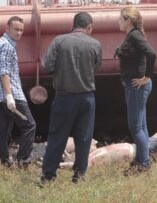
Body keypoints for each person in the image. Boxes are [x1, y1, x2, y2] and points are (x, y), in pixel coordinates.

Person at [41, 12, 102, 183]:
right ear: (89, 27)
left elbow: (47, 66)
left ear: (73, 25)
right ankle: (79, 175)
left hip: (64, 97)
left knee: (57, 136)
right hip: (87, 98)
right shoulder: (95, 44)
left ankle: (48, 176)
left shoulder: (59, 41)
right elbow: (96, 67)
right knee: (84, 138)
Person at [115, 6, 156, 173]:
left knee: (135, 127)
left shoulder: (135, 36)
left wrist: (147, 77)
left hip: (137, 86)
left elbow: (151, 54)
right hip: (134, 86)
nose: (118, 21)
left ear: (128, 20)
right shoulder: (132, 35)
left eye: (120, 18)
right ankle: (141, 159)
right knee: (142, 125)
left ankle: (143, 164)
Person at [0, 16, 36, 168]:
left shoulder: (4, 43)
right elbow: (4, 71)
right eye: (16, 29)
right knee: (29, 125)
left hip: (2, 97)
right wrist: (9, 96)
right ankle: (23, 161)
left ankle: (5, 161)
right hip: (12, 94)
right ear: (7, 28)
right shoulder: (7, 45)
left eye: (21, 30)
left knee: (4, 129)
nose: (19, 32)